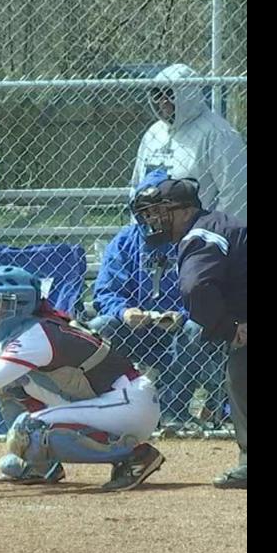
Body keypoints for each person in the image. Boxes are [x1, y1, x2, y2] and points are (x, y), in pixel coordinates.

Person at [0, 265, 164, 492]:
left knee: (29, 430)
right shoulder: (32, 329)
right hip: (109, 400)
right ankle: (40, 465)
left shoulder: (36, 336)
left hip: (129, 404)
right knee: (12, 386)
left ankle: (134, 455)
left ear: (19, 306)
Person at [130, 176, 246, 488]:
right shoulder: (213, 225)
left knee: (241, 372)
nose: (152, 221)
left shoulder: (199, 236)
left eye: (158, 212)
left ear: (183, 211)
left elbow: (195, 288)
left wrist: (228, 328)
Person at [89, 170, 203, 429]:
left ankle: (174, 412)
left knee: (194, 328)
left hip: (176, 331)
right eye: (146, 211)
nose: (153, 218)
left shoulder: (193, 238)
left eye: (159, 210)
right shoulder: (126, 241)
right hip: (134, 330)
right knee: (100, 327)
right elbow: (105, 292)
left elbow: (207, 292)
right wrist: (124, 312)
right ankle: (109, 407)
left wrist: (181, 315)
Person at [131, 63, 247, 222]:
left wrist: (212, 233)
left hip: (197, 235)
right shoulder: (153, 134)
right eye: (157, 95)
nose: (163, 102)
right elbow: (137, 184)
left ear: (188, 94)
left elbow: (236, 193)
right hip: (154, 230)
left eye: (170, 94)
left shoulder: (218, 133)